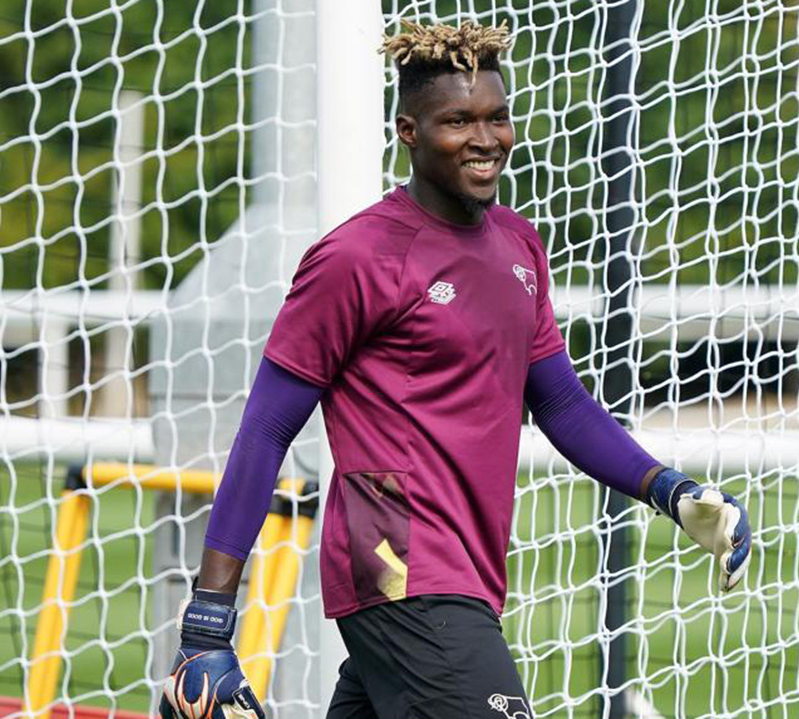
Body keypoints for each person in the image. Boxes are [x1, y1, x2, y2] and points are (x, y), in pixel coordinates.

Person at [159, 20, 752, 719]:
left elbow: (560, 402)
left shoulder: (519, 246)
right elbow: (264, 429)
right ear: (409, 131)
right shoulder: (355, 257)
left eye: (497, 117)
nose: (484, 138)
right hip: (395, 566)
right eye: (457, 121)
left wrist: (669, 489)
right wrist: (207, 620)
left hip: (468, 574)